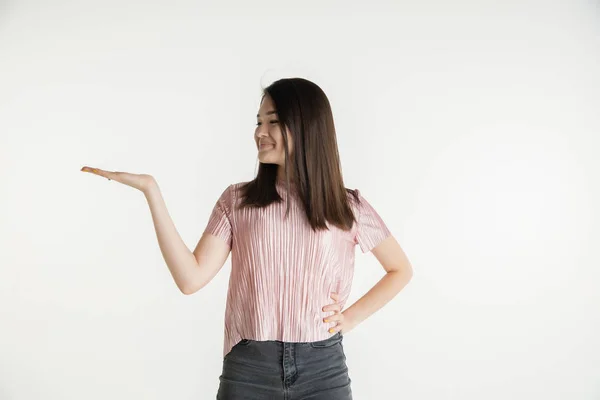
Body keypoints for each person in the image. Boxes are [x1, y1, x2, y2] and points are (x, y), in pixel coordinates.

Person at [81, 77, 413, 399]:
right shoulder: (237, 201)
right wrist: (151, 190)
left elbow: (400, 269)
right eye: (258, 122)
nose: (259, 132)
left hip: (323, 370)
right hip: (250, 368)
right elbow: (190, 278)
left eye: (272, 121)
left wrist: (350, 317)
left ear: (306, 127)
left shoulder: (347, 206)